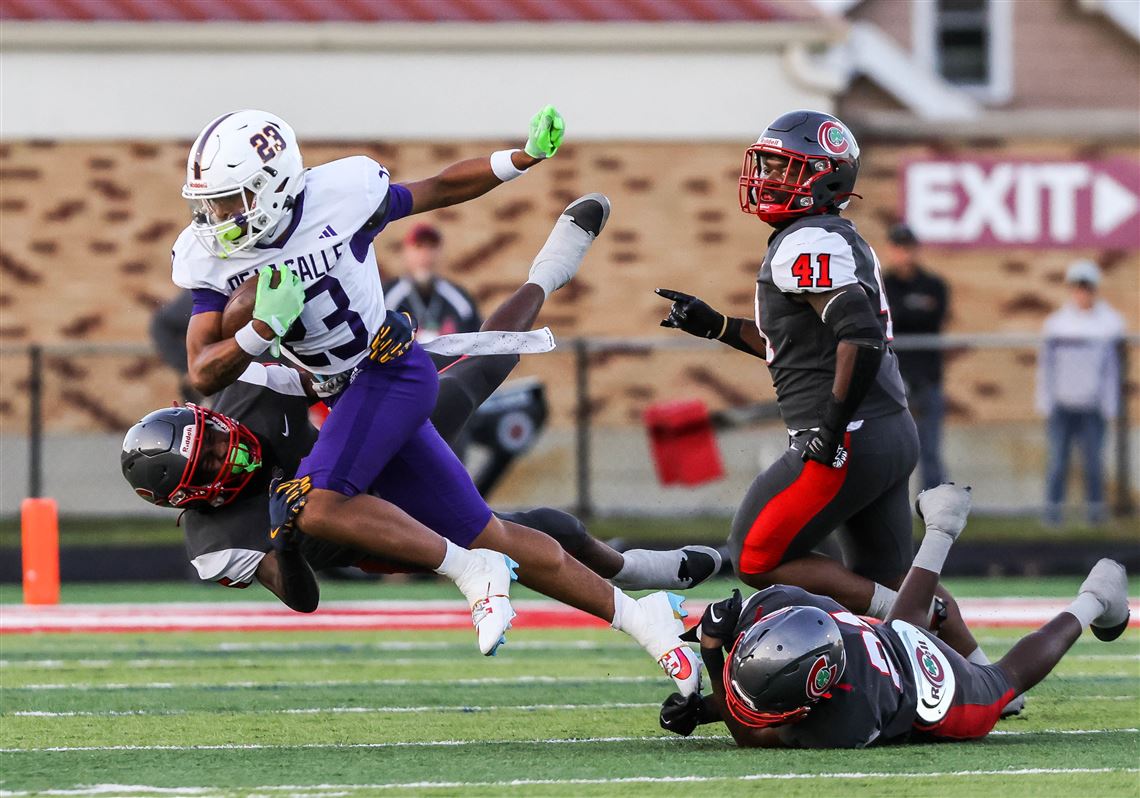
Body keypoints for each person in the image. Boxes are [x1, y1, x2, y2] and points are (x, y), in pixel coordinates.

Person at [155, 178, 706, 689]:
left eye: (215, 434)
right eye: (212, 465)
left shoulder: (239, 397)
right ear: (196, 498)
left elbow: (313, 375)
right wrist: (286, 542)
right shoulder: (217, 543)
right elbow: (302, 599)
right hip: (368, 533)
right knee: (530, 529)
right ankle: (628, 574)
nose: (231, 450)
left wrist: (368, 353)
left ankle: (550, 269)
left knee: (481, 367)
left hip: (359, 443)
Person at [654, 110, 983, 664]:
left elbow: (860, 334)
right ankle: (977, 667)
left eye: (784, 166)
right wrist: (714, 325)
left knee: (756, 555)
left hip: (846, 434)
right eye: (770, 164)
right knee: (889, 570)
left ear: (823, 177)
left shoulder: (806, 238)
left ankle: (908, 610)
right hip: (886, 426)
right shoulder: (830, 236)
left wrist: (830, 431)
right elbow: (799, 348)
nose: (768, 176)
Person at [659, 484, 1131, 748]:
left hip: (930, 688)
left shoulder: (842, 720)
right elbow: (767, 683)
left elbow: (750, 734)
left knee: (1000, 683)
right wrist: (705, 702)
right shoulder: (789, 606)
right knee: (898, 628)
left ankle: (1093, 598)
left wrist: (713, 661)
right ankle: (940, 531)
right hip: (884, 641)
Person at [1037, 260, 1126, 527]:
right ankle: (1052, 515)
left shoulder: (1109, 323)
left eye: (1086, 287)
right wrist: (1046, 400)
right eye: (1078, 287)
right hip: (1063, 405)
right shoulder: (1056, 323)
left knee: (1094, 465)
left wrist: (1110, 404)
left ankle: (1095, 515)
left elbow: (1111, 370)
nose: (1082, 293)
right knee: (1057, 463)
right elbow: (1046, 367)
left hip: (1092, 406)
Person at [882, 223, 949, 490]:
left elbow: (934, 318)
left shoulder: (934, 284)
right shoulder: (882, 284)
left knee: (930, 448)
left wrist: (902, 313)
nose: (903, 253)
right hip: (893, 380)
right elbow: (890, 319)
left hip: (927, 377)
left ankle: (933, 508)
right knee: (892, 449)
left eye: (908, 247)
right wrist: (913, 311)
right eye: (898, 247)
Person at [384, 222, 481, 369]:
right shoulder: (387, 298)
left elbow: (477, 347)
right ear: (405, 252)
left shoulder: (460, 300)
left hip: (450, 383)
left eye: (432, 247)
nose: (425, 255)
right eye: (418, 247)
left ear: (441, 253)